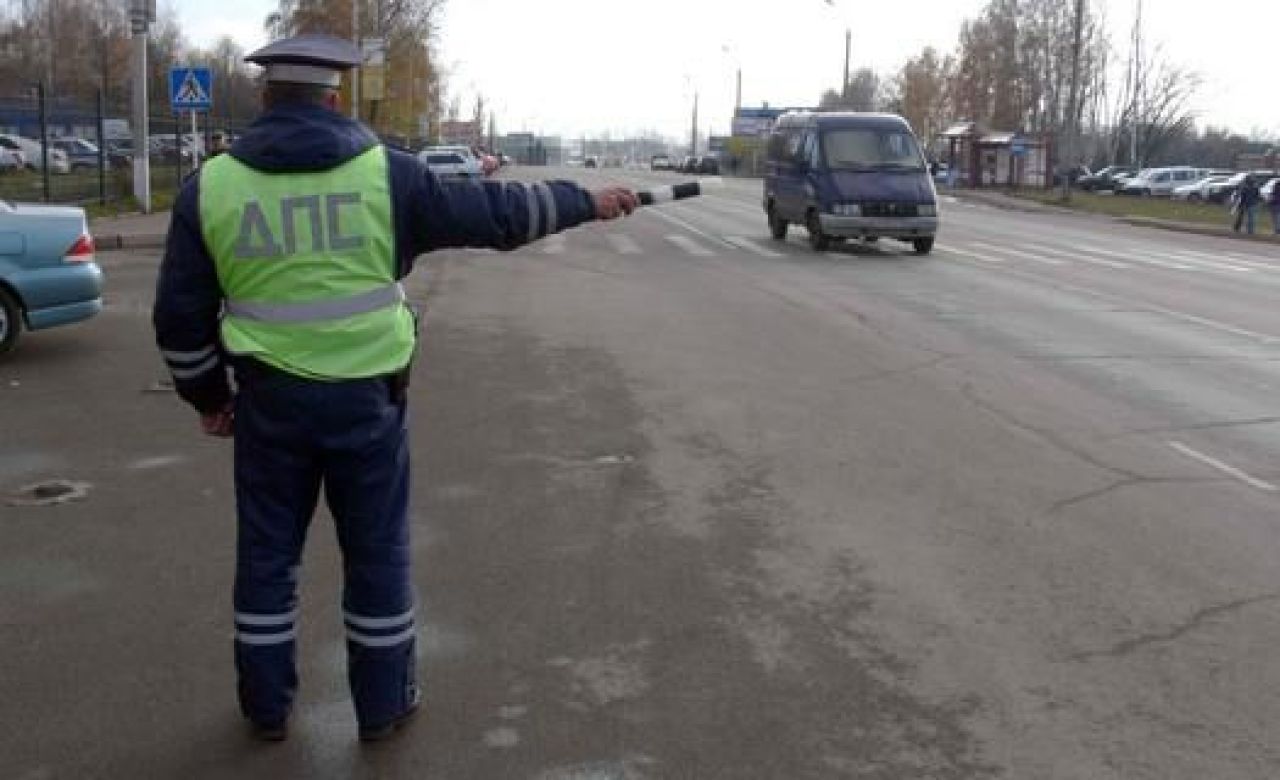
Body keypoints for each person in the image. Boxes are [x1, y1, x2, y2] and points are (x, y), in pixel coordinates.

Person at [151, 33, 637, 744]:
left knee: (266, 559)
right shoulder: (389, 175)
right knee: (376, 557)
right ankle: (382, 707)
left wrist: (208, 397)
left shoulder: (213, 186)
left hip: (267, 407)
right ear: (335, 96)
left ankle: (265, 708)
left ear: (265, 95)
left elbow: (178, 316)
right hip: (367, 406)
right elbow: (494, 218)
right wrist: (583, 203)